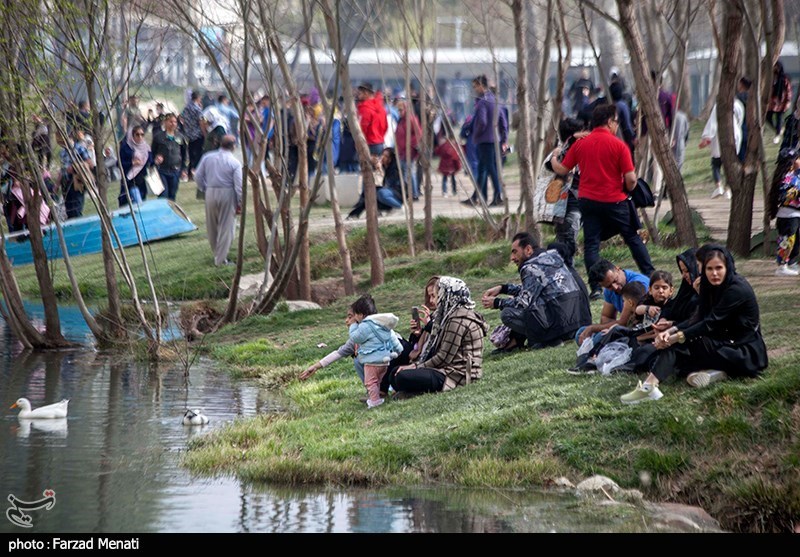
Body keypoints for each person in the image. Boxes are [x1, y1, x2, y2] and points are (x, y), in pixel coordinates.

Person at [620, 246, 768, 404]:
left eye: (719, 268)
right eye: (709, 268)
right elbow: (699, 317)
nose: (714, 273)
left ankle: (649, 387)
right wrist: (671, 331)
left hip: (743, 351)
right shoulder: (709, 286)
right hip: (722, 341)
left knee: (680, 345)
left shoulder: (737, 289)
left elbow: (709, 323)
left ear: (728, 266)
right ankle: (716, 373)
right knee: (680, 358)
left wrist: (675, 337)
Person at [550, 104, 655, 299]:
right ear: (609, 122)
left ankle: (596, 287)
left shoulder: (582, 144)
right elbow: (631, 180)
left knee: (592, 244)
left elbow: (562, 169)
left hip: (588, 202)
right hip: (615, 201)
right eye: (616, 121)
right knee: (632, 237)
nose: (617, 125)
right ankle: (650, 275)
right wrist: (629, 190)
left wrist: (555, 156)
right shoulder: (618, 145)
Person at [482, 232, 591, 352]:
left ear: (528, 249)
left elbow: (524, 302)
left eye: (515, 252)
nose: (512, 258)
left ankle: (548, 339)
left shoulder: (529, 267)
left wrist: (497, 303)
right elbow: (534, 288)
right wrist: (503, 288)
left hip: (560, 325)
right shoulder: (552, 257)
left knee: (507, 313)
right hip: (576, 321)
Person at [393, 276, 487, 395]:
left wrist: (416, 367)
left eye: (437, 295)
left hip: (456, 374)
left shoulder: (457, 320)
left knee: (402, 376)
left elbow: (443, 357)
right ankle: (411, 391)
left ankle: (412, 391)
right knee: (395, 373)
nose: (435, 300)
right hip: (445, 368)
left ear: (446, 296)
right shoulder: (448, 316)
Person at [300, 294, 376, 387]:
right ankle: (374, 391)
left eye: (350, 316)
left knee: (359, 359)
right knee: (358, 359)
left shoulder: (378, 332)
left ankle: (381, 390)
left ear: (361, 316)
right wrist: (315, 367)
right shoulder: (355, 340)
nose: (346, 320)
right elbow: (338, 353)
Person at [576, 259, 650, 345]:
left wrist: (593, 328)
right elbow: (606, 317)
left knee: (597, 338)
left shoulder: (637, 284)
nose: (615, 287)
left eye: (615, 281)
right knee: (581, 333)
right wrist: (608, 329)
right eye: (609, 286)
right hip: (625, 329)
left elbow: (624, 322)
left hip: (640, 331)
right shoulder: (609, 290)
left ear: (617, 269)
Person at [194, 135, 242, 266]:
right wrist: (240, 202)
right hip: (227, 192)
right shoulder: (235, 162)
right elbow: (239, 186)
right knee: (226, 227)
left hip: (210, 191)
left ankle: (218, 254)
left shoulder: (208, 157)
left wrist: (204, 188)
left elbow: (197, 176)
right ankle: (220, 260)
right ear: (234, 146)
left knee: (212, 226)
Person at [546, 117, 587, 266]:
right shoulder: (562, 152)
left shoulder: (573, 150)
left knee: (565, 243)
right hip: (567, 207)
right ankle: (567, 275)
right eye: (582, 132)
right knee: (566, 245)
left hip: (571, 206)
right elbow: (555, 167)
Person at [348, 301, 404, 409]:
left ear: (361, 314)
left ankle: (375, 401)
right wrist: (399, 350)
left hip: (372, 361)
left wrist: (353, 326)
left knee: (370, 382)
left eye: (355, 314)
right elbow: (393, 338)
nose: (354, 317)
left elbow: (355, 337)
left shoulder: (365, 326)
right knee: (377, 381)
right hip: (385, 361)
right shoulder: (383, 324)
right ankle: (377, 396)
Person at [465, 74, 505, 206]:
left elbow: (482, 121)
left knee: (491, 169)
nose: (474, 89)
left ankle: (498, 197)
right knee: (482, 170)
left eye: (475, 86)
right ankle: (476, 197)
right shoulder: (494, 100)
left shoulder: (482, 102)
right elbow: (502, 121)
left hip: (484, 141)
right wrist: (503, 137)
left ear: (481, 86)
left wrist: (476, 135)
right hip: (494, 139)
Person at [699, 95, 745, 199]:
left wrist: (706, 137)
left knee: (716, 163)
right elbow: (740, 120)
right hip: (735, 134)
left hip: (720, 135)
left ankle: (719, 186)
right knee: (730, 163)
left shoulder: (719, 106)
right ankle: (728, 189)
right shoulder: (738, 105)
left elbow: (712, 123)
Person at [346, 147, 403, 219]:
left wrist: (381, 170)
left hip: (396, 194)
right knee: (369, 192)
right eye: (382, 155)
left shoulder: (395, 169)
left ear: (391, 159)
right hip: (388, 193)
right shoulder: (385, 166)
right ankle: (355, 214)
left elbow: (390, 185)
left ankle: (400, 207)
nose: (382, 157)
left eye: (386, 156)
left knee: (380, 193)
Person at [769, 150, 800, 276]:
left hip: (796, 215)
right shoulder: (786, 178)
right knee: (787, 240)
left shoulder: (796, 175)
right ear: (791, 162)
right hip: (788, 215)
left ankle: (791, 262)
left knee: (796, 240)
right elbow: (784, 196)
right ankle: (782, 266)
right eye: (798, 158)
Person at [56, 131, 93, 219]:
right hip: (65, 183)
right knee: (69, 209)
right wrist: (57, 184)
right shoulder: (62, 152)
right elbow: (62, 169)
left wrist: (75, 167)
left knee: (76, 209)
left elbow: (90, 164)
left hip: (77, 182)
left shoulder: (79, 148)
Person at [151, 114, 185, 201]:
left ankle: (170, 214)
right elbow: (152, 153)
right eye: (170, 121)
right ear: (165, 122)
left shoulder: (180, 137)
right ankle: (162, 214)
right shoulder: (158, 137)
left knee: (172, 196)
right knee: (163, 195)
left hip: (175, 171)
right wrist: (156, 159)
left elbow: (184, 153)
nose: (173, 124)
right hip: (162, 170)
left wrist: (184, 169)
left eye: (175, 122)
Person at [395, 98, 422, 200]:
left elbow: (418, 134)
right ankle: (408, 193)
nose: (399, 112)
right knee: (404, 173)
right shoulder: (401, 121)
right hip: (402, 151)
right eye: (398, 110)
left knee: (409, 173)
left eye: (401, 110)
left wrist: (410, 144)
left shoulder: (411, 119)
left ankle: (414, 194)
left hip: (409, 151)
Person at [118, 125, 153, 206]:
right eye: (137, 134)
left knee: (141, 202)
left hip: (142, 180)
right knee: (135, 203)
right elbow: (119, 164)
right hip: (130, 181)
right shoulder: (126, 148)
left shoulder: (146, 148)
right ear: (132, 135)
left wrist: (156, 161)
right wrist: (132, 163)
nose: (140, 137)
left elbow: (150, 162)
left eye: (142, 134)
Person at [355, 82, 388, 163]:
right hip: (379, 143)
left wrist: (359, 142)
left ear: (366, 93)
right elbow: (385, 126)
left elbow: (362, 128)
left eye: (360, 93)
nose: (358, 95)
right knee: (378, 171)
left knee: (368, 171)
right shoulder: (381, 107)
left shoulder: (365, 108)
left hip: (369, 144)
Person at [181, 92, 205, 180]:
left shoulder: (186, 107)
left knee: (191, 154)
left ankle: (189, 171)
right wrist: (204, 133)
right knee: (198, 154)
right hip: (197, 134)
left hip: (189, 134)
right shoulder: (197, 109)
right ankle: (194, 171)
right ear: (198, 98)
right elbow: (201, 122)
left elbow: (182, 118)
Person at [768, 61, 793, 145]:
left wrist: (788, 101)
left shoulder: (784, 79)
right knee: (768, 117)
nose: (776, 68)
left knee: (779, 118)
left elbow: (788, 91)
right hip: (772, 103)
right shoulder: (771, 78)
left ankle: (777, 135)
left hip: (781, 103)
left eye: (777, 67)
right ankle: (777, 129)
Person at [609, 81, 636, 157]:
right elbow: (627, 125)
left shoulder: (609, 105)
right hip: (624, 139)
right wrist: (633, 137)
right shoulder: (622, 106)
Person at [433, 132, 461, 198]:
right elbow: (456, 158)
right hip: (452, 166)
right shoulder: (455, 146)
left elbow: (437, 151)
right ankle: (454, 191)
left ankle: (444, 191)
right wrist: (458, 167)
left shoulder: (444, 145)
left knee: (444, 179)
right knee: (453, 178)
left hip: (444, 165)